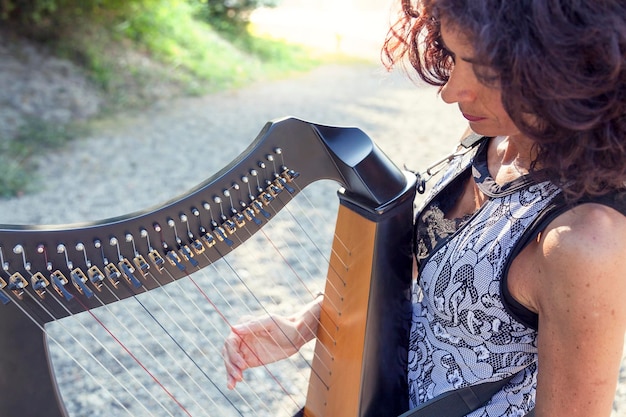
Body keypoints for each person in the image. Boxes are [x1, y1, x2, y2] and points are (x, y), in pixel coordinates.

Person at [222, 1, 626, 416]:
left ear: (567, 68)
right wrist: (301, 326)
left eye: (485, 70)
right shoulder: (488, 136)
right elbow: (422, 254)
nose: (451, 91)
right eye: (453, 56)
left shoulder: (586, 241)